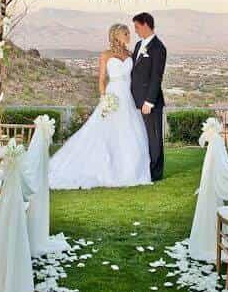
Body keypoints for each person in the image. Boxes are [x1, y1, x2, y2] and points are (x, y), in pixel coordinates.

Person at [47, 23, 152, 189]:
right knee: (104, 132)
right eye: (125, 33)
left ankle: (129, 171)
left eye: (128, 33)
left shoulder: (130, 54)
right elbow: (102, 79)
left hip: (128, 98)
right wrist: (104, 98)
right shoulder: (106, 55)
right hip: (113, 95)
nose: (128, 35)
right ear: (116, 35)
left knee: (129, 132)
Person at [130, 12, 167, 182]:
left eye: (137, 27)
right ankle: (144, 168)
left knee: (154, 137)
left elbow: (156, 77)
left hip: (149, 102)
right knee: (142, 137)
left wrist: (149, 101)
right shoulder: (138, 45)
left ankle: (155, 173)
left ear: (145, 25)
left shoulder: (159, 48)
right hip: (135, 101)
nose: (135, 31)